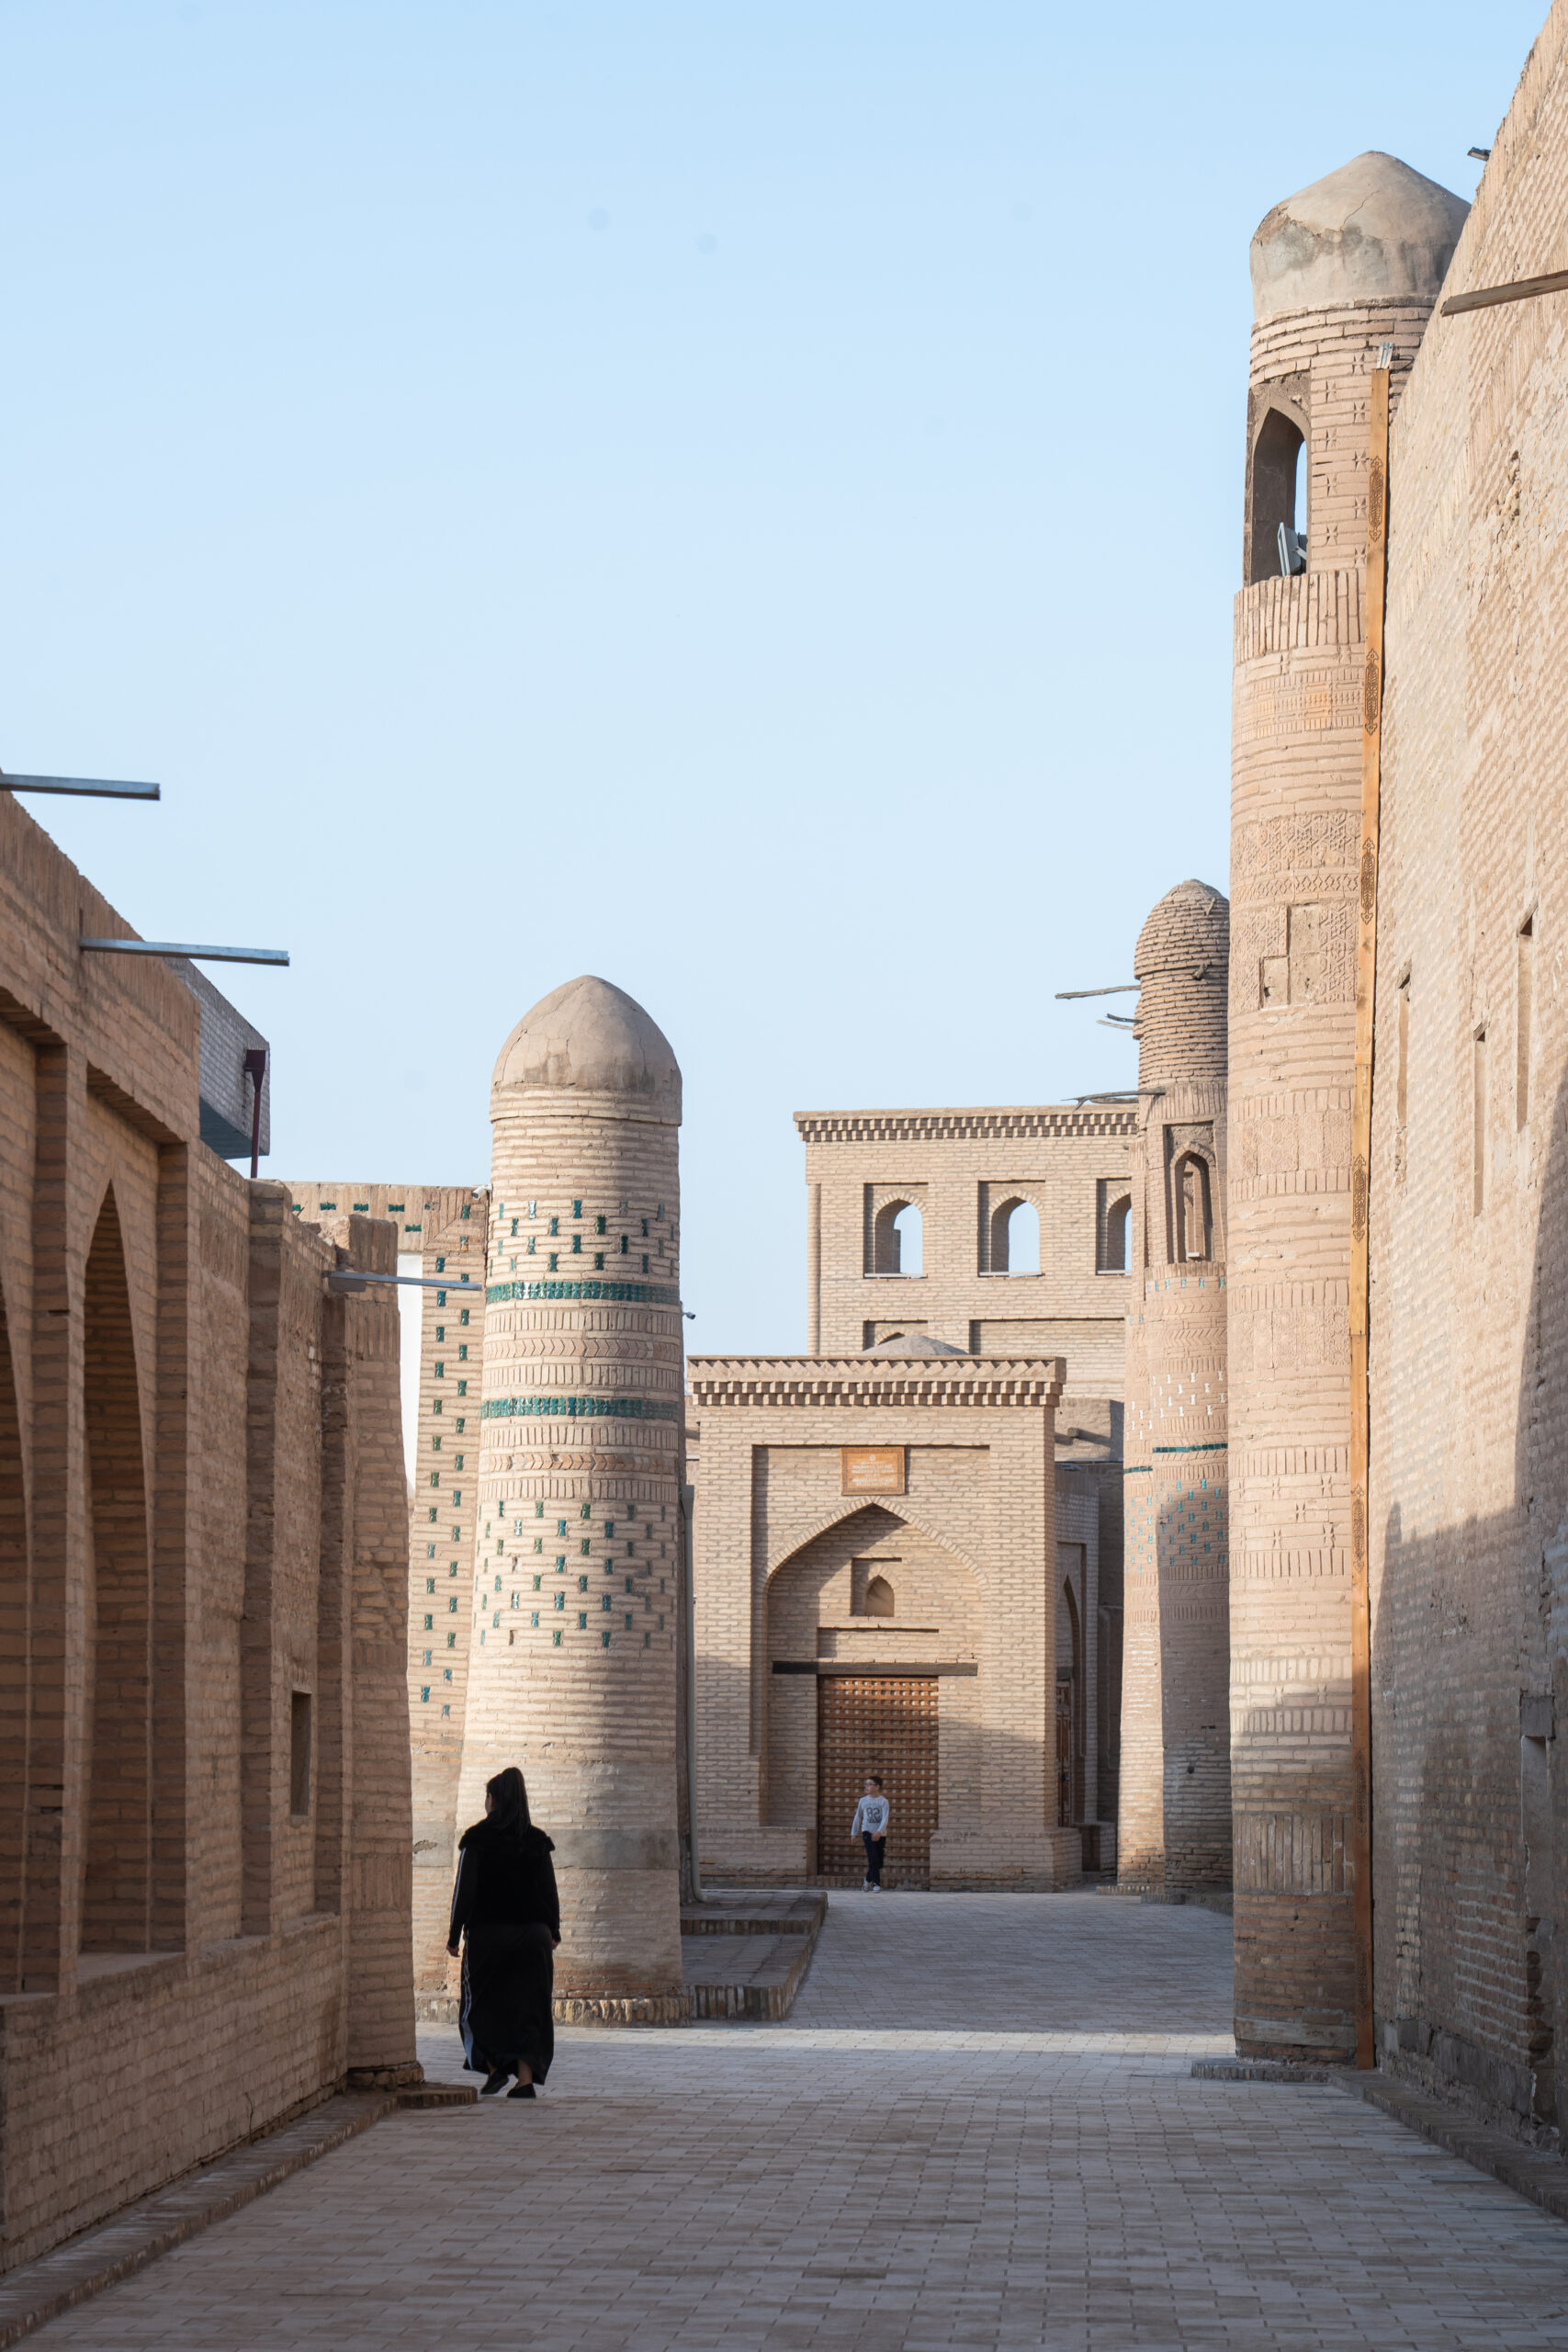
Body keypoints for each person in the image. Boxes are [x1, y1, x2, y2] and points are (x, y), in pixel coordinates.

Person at [447, 1765, 560, 2098]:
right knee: (530, 2007)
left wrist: (454, 1936)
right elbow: (549, 1891)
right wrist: (553, 1930)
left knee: (480, 2006)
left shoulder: (477, 1839)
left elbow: (463, 1892)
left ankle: (495, 2069)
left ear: (493, 1800)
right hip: (534, 1939)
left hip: (488, 1937)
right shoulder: (537, 1841)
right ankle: (524, 2082)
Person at [851, 1775, 889, 1890]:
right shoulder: (863, 1801)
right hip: (867, 1832)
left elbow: (885, 1818)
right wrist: (854, 1833)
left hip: (880, 1834)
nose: (866, 1786)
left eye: (869, 1784)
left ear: (877, 1787)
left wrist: (879, 1832)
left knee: (879, 1862)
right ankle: (876, 1884)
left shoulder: (884, 1801)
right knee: (873, 1858)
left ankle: (867, 1880)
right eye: (866, 1784)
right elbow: (858, 1816)